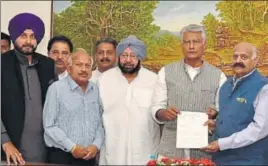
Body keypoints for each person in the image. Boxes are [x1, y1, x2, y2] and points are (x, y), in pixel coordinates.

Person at [151, 24, 227, 159]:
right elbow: (156, 106)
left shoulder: (219, 76)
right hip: (170, 152)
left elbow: (224, 113)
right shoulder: (166, 72)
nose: (191, 46)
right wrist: (163, 113)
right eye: (187, 42)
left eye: (196, 42)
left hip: (204, 152)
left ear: (204, 44)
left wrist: (215, 115)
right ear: (182, 45)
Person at [1, 13, 57, 164]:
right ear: (13, 36)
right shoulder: (2, 64)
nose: (28, 41)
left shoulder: (48, 65)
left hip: (44, 148)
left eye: (32, 36)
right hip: (9, 149)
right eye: (23, 35)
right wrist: (5, 141)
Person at [202, 42, 268, 165]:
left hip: (250, 161)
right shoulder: (225, 86)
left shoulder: (264, 87)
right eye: (235, 56)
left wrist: (222, 144)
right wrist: (215, 126)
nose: (238, 60)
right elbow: (230, 118)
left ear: (255, 61)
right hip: (220, 160)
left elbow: (259, 129)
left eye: (244, 57)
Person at [98, 35, 160, 165]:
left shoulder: (154, 80)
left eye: (133, 56)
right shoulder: (104, 80)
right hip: (113, 148)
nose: (128, 60)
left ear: (140, 58)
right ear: (118, 57)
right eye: (124, 55)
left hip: (144, 148)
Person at [43, 49, 104, 166]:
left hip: (89, 157)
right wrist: (72, 147)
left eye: (87, 65)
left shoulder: (95, 89)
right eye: (79, 65)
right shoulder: (56, 89)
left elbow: (100, 123)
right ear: (69, 68)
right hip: (62, 156)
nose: (84, 69)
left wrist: (96, 145)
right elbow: (49, 125)